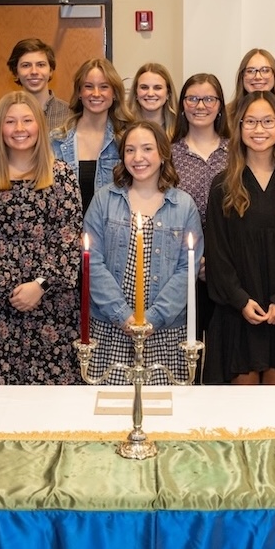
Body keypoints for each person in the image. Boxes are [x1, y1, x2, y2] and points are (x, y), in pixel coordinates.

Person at [0, 92, 82, 385]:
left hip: (52, 307)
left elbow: (69, 238)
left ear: (40, 126)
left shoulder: (62, 176)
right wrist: (15, 290)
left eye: (27, 120)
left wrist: (39, 286)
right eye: (10, 121)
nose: (19, 129)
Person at [204, 90, 275, 385]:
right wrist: (241, 301)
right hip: (239, 312)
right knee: (243, 412)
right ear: (238, 127)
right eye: (250, 121)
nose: (259, 129)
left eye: (268, 121)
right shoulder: (223, 185)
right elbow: (218, 253)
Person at [84, 121, 203, 384]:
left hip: (165, 330)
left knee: (164, 414)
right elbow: (92, 262)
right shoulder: (104, 200)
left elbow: (188, 268)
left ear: (162, 154)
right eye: (130, 150)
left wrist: (152, 319)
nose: (138, 158)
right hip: (111, 326)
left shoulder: (183, 205)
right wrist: (123, 316)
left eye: (147, 149)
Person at [171, 73, 229, 340]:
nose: (200, 105)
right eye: (192, 98)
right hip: (180, 267)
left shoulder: (237, 152)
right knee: (188, 353)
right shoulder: (169, 155)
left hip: (230, 267)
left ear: (219, 105)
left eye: (208, 98)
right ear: (182, 104)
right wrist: (196, 261)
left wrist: (217, 262)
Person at [51, 58, 133, 214]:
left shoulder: (127, 139)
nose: (96, 93)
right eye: (88, 86)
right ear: (80, 93)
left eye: (104, 87)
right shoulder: (56, 140)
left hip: (113, 232)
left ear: (114, 93)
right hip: (68, 234)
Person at [6, 37, 70, 131]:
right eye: (26, 65)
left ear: (51, 70)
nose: (34, 72)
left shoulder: (70, 114)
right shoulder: (6, 113)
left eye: (41, 65)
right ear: (16, 72)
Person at [228, 48, 275, 115]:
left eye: (265, 70)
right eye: (250, 71)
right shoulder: (227, 113)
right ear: (242, 76)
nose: (258, 77)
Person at [127, 62, 177, 137]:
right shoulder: (123, 128)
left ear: (168, 93)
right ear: (136, 92)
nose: (150, 94)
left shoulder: (180, 129)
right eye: (144, 87)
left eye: (157, 88)